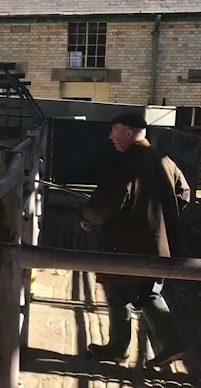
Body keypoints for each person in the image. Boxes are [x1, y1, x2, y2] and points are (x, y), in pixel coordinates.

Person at [79, 111, 190, 368]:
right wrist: (164, 219)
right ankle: (120, 346)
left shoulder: (125, 162)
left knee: (136, 291)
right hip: (158, 243)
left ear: (128, 132)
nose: (110, 137)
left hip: (127, 243)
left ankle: (167, 343)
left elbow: (108, 202)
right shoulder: (165, 160)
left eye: (114, 130)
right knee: (129, 291)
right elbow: (183, 194)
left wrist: (86, 216)